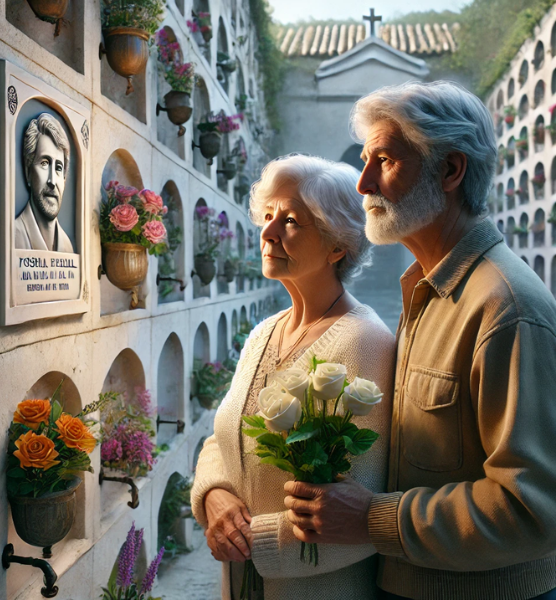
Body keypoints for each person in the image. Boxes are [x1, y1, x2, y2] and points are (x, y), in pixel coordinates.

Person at [283, 81, 556, 599]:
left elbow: (532, 508)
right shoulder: (428, 289)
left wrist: (373, 517)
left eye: (383, 160)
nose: (363, 183)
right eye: (365, 160)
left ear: (450, 170)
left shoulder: (504, 308)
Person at [191, 154, 396, 600]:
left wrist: (249, 541)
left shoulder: (364, 342)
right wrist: (214, 497)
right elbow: (222, 437)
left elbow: (361, 511)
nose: (267, 232)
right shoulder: (265, 332)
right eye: (268, 216)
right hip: (243, 583)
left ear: (337, 244)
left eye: (291, 221)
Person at [15, 112, 74, 253]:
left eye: (59, 168)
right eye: (44, 163)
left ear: (64, 180)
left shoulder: (67, 247)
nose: (52, 181)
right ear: (28, 172)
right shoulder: (13, 235)